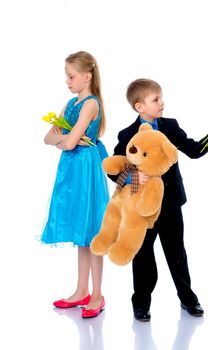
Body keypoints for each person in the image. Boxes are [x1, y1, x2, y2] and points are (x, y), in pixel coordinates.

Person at [109, 78, 208, 322]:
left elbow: (193, 150)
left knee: (177, 254)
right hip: (142, 209)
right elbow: (114, 171)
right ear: (140, 107)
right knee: (143, 256)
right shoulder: (127, 134)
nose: (162, 103)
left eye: (161, 97)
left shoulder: (170, 126)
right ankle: (140, 303)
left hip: (170, 204)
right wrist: (133, 175)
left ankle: (188, 299)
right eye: (156, 99)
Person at [40, 51, 109, 318]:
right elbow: (47, 138)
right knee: (81, 234)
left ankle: (97, 294)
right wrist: (65, 138)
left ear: (86, 76)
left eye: (71, 76)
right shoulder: (70, 104)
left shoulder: (90, 104)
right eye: (66, 77)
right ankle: (81, 291)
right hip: (70, 169)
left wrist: (64, 139)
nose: (67, 81)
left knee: (92, 231)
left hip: (85, 169)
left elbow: (65, 143)